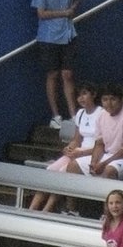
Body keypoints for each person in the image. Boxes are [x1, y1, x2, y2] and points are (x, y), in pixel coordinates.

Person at [29, 82, 102, 213]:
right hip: (77, 153)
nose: (81, 98)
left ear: (94, 94)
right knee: (50, 170)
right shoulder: (80, 113)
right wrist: (69, 148)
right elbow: (77, 139)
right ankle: (31, 209)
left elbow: (102, 145)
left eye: (84, 94)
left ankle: (46, 210)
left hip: (92, 154)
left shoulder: (101, 114)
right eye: (78, 95)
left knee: (63, 173)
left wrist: (81, 153)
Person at [32, 0, 85, 129]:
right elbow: (41, 13)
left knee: (67, 74)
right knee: (53, 75)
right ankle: (56, 116)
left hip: (68, 34)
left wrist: (74, 7)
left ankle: (73, 115)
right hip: (48, 38)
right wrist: (64, 12)